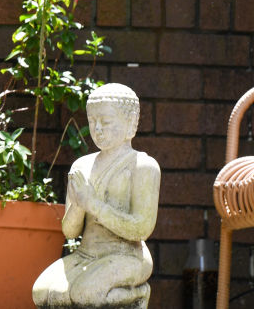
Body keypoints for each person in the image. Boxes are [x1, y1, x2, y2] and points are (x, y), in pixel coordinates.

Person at [32, 83, 160, 308]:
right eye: (92, 122)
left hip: (128, 256)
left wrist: (94, 204)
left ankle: (137, 294)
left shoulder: (143, 166)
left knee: (86, 295)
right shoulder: (82, 165)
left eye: (106, 122)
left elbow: (142, 229)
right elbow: (70, 232)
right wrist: (79, 205)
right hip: (86, 254)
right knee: (44, 293)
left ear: (131, 123)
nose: (98, 129)